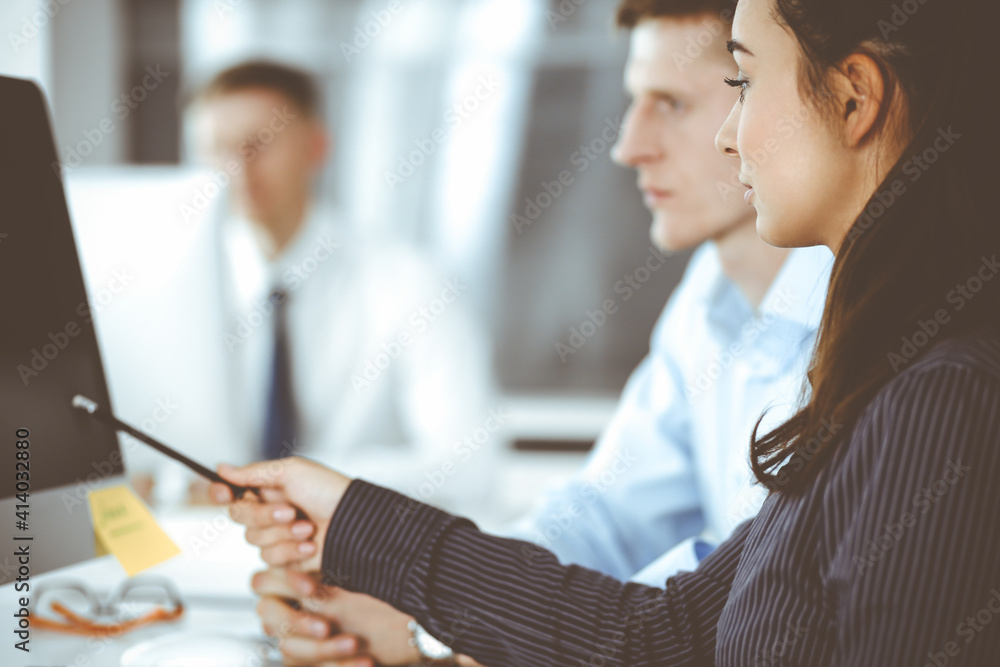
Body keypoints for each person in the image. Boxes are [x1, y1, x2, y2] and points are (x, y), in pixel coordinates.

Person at [218, 0, 1000, 662]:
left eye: (742, 82)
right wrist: (379, 558)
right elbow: (659, 620)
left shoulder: (935, 393)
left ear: (857, 100)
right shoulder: (837, 357)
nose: (629, 146)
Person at [124, 61, 494, 508]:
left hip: (349, 550)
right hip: (201, 543)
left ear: (316, 146)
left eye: (259, 143)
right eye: (218, 147)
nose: (238, 166)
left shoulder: (410, 283)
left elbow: (469, 471)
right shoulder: (160, 293)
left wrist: (297, 483)